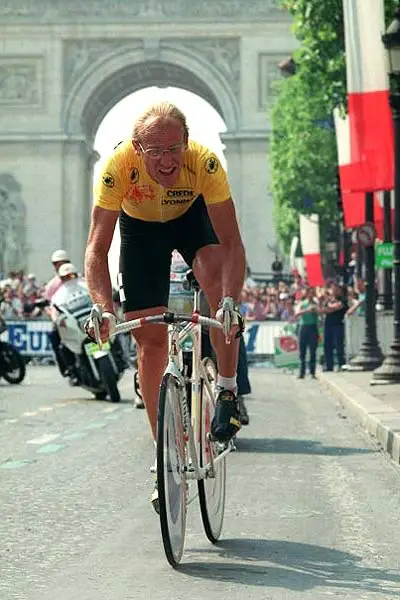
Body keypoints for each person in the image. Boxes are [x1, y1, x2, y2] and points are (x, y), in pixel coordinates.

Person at [84, 101, 246, 508]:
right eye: (155, 150)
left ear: (187, 143)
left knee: (213, 273)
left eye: (174, 148)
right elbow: (96, 250)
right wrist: (103, 308)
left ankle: (227, 392)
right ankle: (165, 453)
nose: (167, 160)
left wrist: (228, 301)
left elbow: (232, 244)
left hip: (191, 218)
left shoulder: (204, 164)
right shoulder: (117, 168)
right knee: (149, 343)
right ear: (136, 149)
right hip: (139, 230)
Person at [294, 287, 319, 379]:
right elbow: (297, 313)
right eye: (309, 293)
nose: (311, 295)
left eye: (312, 293)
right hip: (303, 327)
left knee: (313, 351)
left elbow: (321, 312)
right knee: (302, 351)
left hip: (313, 327)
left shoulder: (316, 304)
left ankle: (312, 373)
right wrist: (306, 310)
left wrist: (316, 311)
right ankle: (301, 373)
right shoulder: (302, 303)